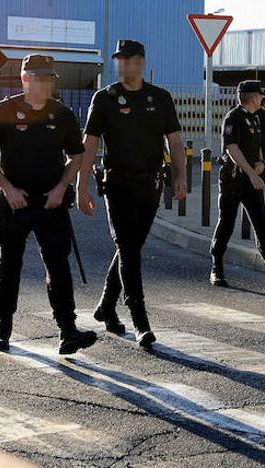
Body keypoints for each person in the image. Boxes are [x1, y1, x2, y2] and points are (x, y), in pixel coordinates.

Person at [0, 54, 98, 355]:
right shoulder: (4, 110)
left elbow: (76, 156)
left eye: (49, 79)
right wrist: (7, 187)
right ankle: (3, 329)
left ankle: (68, 331)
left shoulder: (61, 113)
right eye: (39, 78)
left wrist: (62, 187)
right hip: (14, 204)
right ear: (25, 79)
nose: (45, 84)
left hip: (50, 203)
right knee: (9, 265)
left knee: (58, 265)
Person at [77, 39, 187, 350]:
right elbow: (90, 145)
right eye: (118, 60)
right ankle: (140, 320)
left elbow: (175, 142)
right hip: (117, 185)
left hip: (150, 185)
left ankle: (106, 306)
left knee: (132, 246)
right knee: (127, 246)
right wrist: (81, 185)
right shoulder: (105, 98)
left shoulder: (160, 98)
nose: (122, 65)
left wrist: (181, 175)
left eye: (128, 59)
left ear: (140, 61)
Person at [209, 80, 265, 289]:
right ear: (253, 97)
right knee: (227, 223)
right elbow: (232, 148)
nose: (262, 98)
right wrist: (251, 173)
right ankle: (217, 269)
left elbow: (256, 144)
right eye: (260, 95)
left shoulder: (254, 118)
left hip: (251, 179)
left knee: (262, 223)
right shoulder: (233, 117)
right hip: (234, 179)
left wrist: (261, 163)